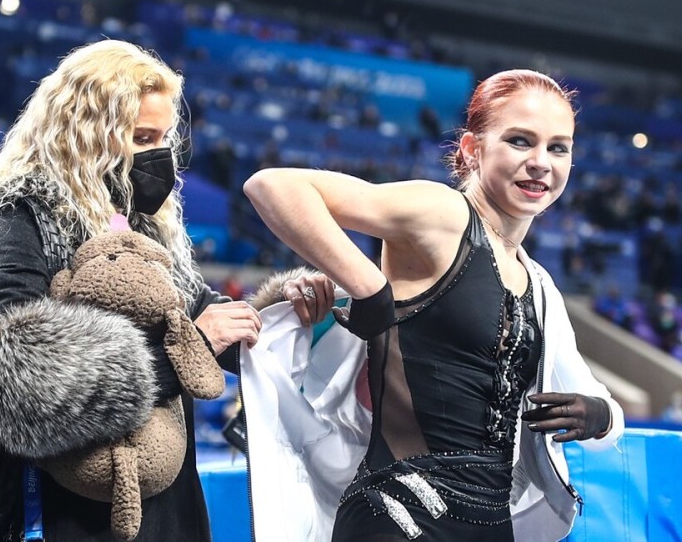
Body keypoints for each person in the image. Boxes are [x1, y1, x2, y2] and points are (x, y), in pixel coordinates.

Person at [0, 39, 334, 541]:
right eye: (141, 137)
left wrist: (283, 306)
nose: (158, 155)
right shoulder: (26, 215)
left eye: (163, 138)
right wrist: (188, 351)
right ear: (87, 135)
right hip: (75, 511)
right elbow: (15, 377)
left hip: (168, 504)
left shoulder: (146, 224)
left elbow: (207, 317)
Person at [244, 69, 624, 541]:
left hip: (490, 525)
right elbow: (272, 186)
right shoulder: (444, 214)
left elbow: (607, 413)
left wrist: (598, 414)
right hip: (400, 514)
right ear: (471, 150)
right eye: (520, 141)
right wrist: (367, 286)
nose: (541, 162)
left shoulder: (540, 285)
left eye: (558, 147)